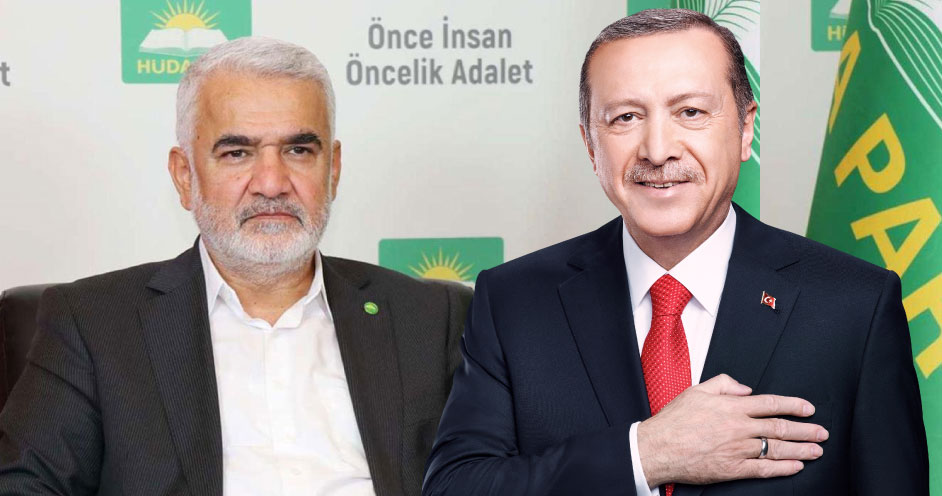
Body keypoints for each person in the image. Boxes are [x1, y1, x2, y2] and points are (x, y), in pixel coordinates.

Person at [424, 9, 928, 496]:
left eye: (690, 112)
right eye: (625, 117)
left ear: (746, 127)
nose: (658, 149)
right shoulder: (513, 302)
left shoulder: (853, 306)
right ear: (591, 145)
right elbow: (456, 487)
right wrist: (646, 453)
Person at [0, 37, 471, 496]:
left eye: (298, 150)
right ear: (185, 177)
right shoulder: (94, 323)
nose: (271, 183)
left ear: (333, 170)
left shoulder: (432, 317)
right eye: (237, 153)